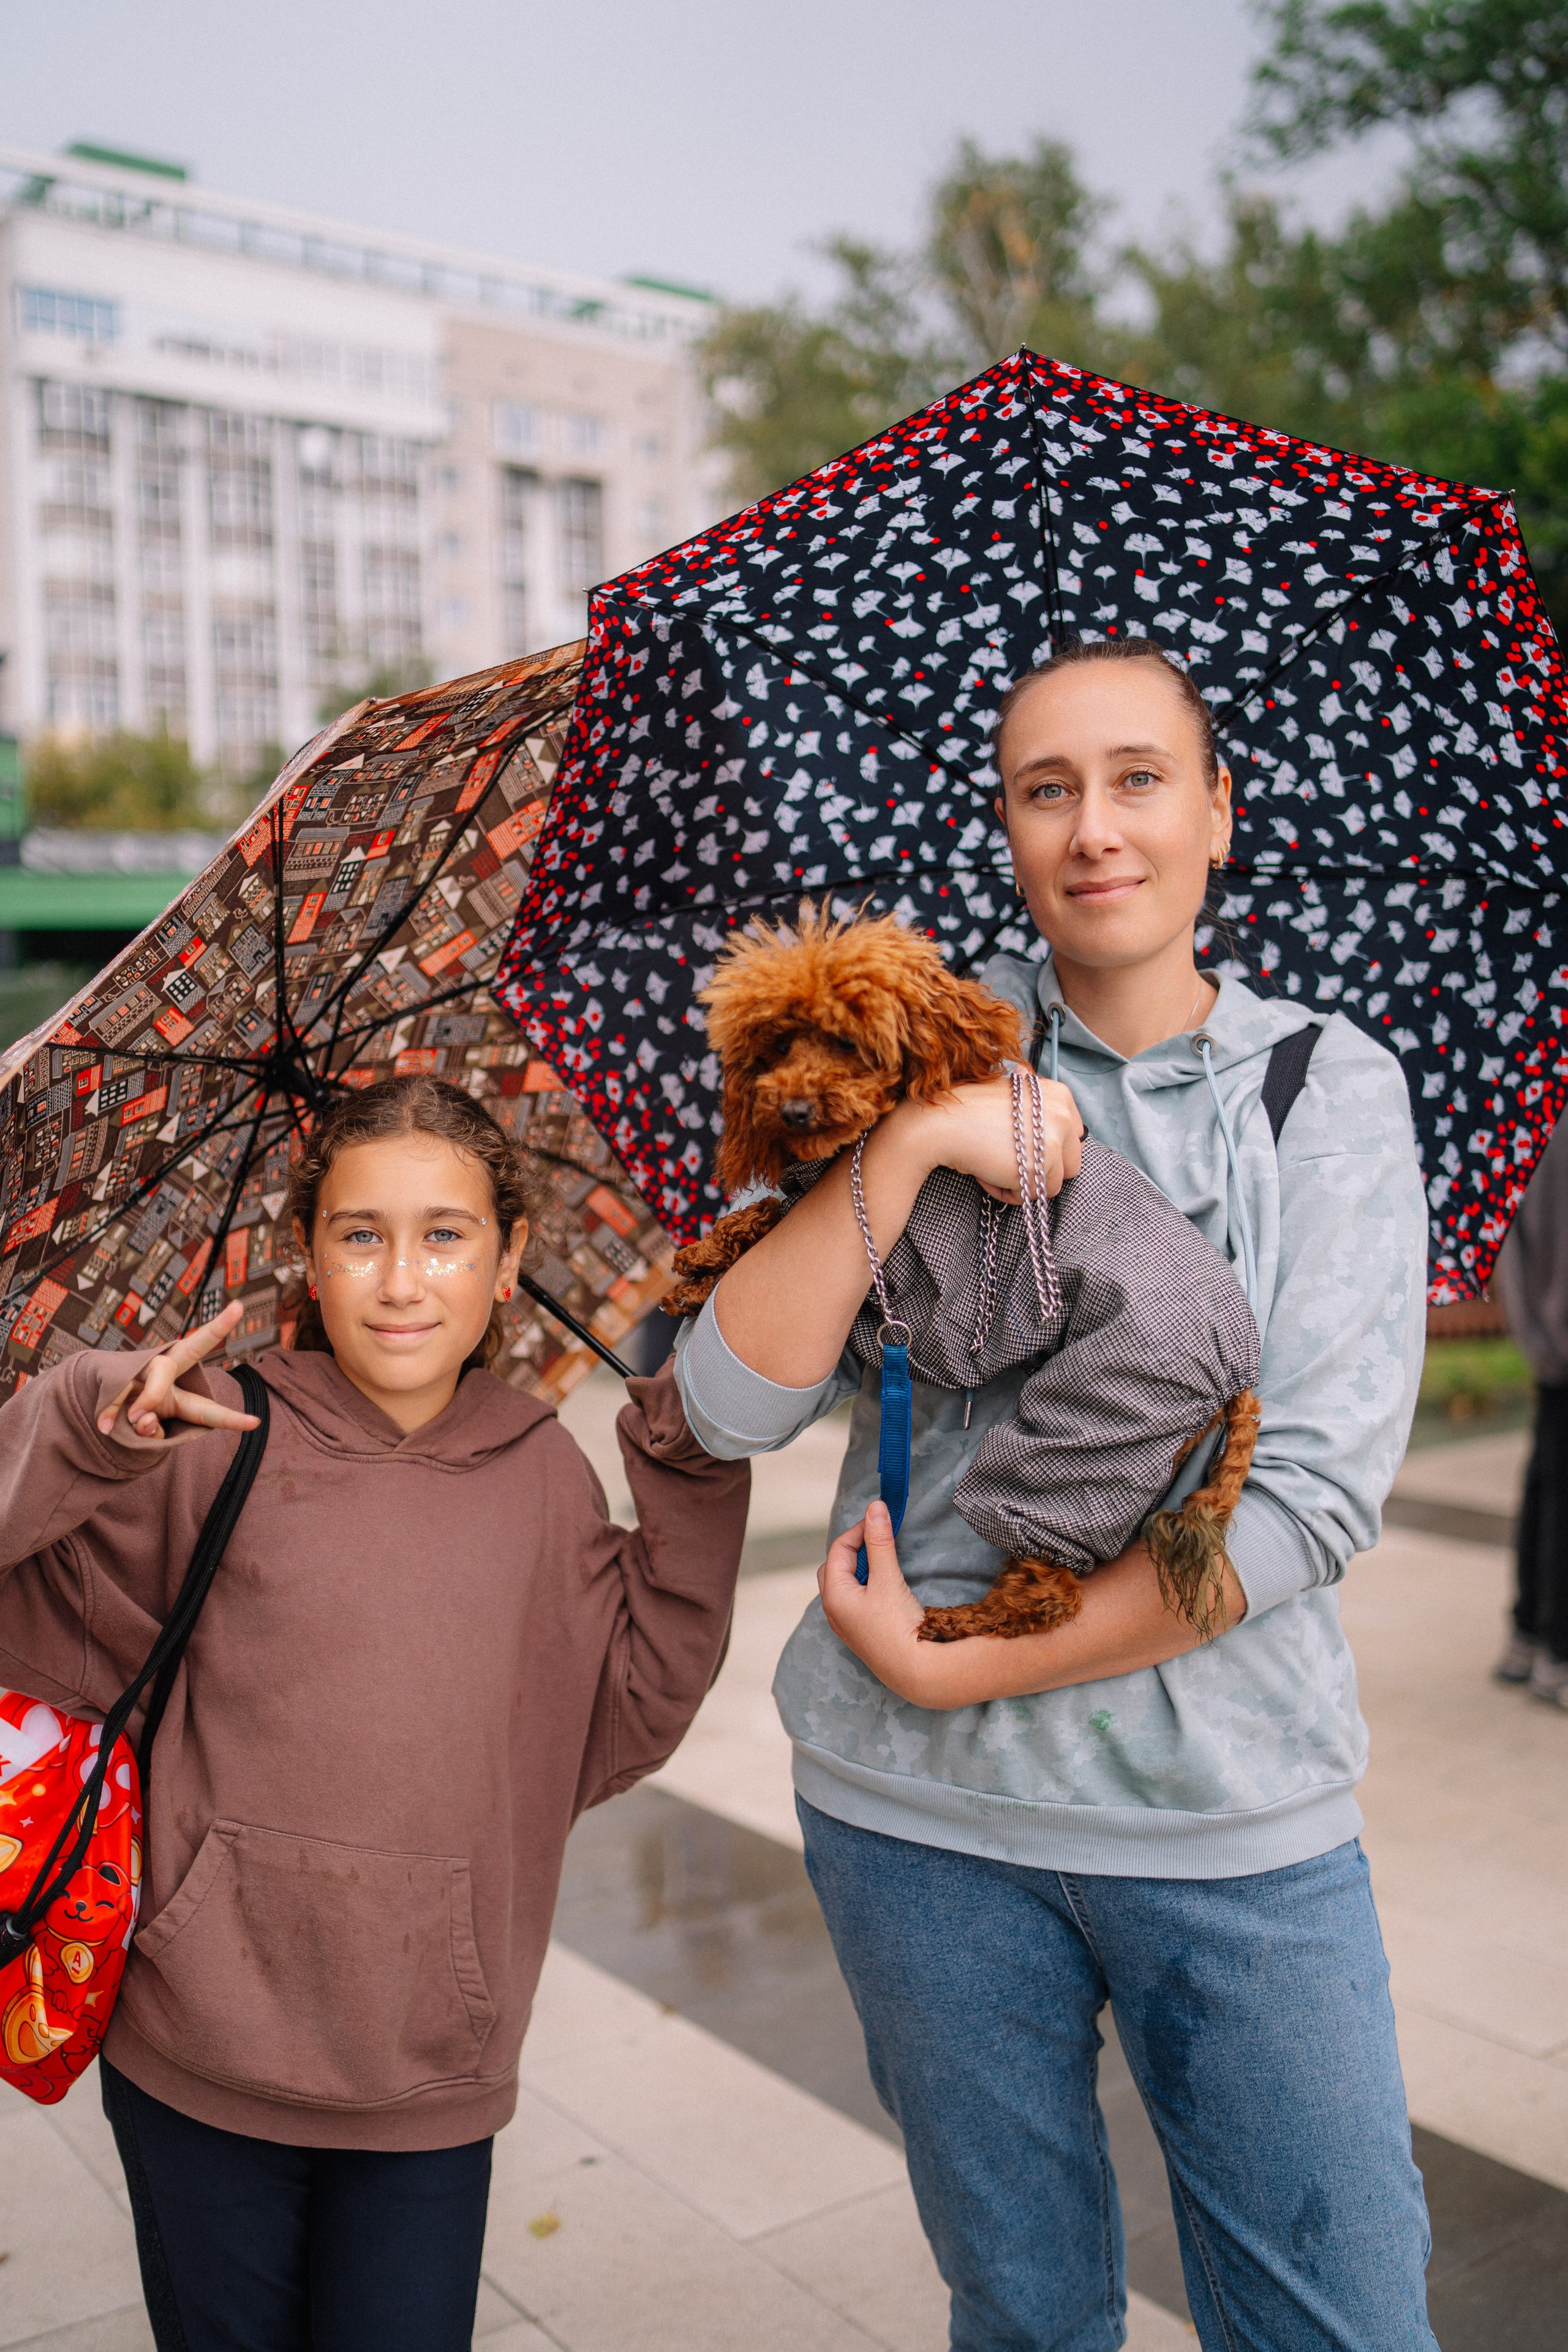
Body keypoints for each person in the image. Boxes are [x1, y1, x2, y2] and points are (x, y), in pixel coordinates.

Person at [676, 636, 1437, 2351]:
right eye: (1048, 789)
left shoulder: (1326, 1088)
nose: (1097, 828)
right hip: (915, 1828)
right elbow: (723, 1411)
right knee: (1023, 2319)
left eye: (1139, 777)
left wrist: (969, 1663)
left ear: (1219, 816)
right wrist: (916, 1148)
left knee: (1342, 2321)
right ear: (1011, 832)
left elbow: (1305, 1503)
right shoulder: (904, 1062)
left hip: (1234, 1823)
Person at [0, 1075, 748, 2352]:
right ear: (308, 1252)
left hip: (429, 2076)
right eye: (361, 1235)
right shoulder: (205, 1431)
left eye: (444, 1234)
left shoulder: (543, 1475)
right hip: (194, 2052)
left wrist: (686, 1482)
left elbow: (623, 1712)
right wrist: (85, 1422)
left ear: (509, 1258)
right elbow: (25, 1588)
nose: (402, 1280)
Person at [1493, 1115, 1568, 1706]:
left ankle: (1528, 1634)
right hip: (1557, 1342)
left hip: (1546, 1343)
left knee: (1547, 1482)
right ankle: (1555, 1653)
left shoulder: (1535, 1107)